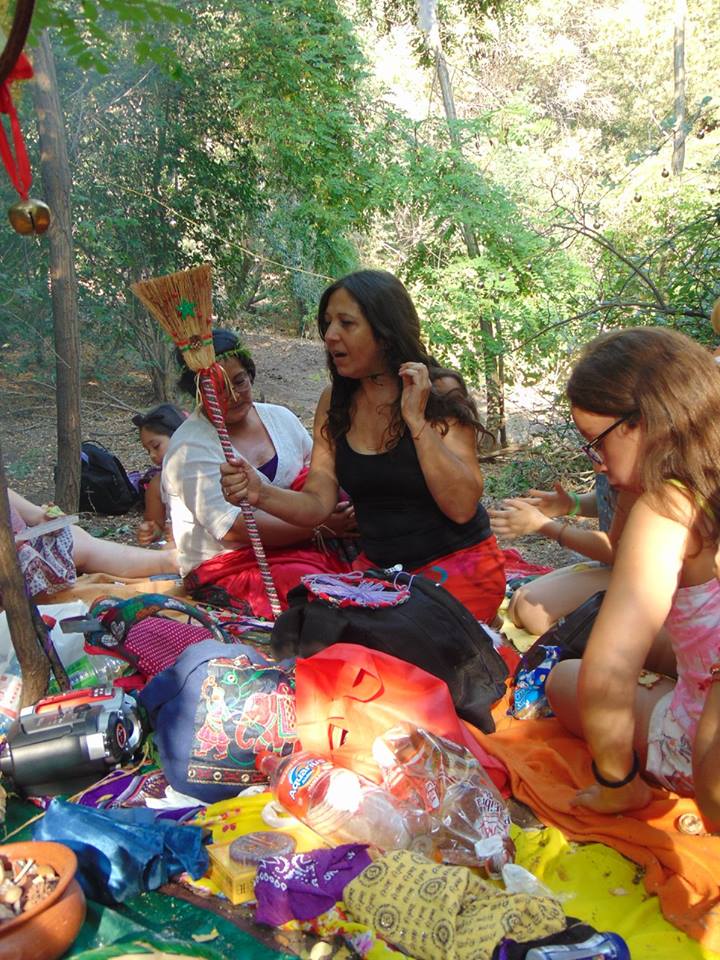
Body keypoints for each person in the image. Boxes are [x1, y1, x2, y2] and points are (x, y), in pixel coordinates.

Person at [220, 270, 505, 623]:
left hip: (457, 567)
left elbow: (461, 507)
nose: (330, 335)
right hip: (379, 575)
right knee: (313, 635)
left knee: (388, 647)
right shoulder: (334, 402)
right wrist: (259, 493)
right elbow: (317, 504)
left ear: (386, 333)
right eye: (327, 323)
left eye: (346, 323)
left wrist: (416, 421)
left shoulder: (439, 392)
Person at [543, 327, 720, 815]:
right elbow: (622, 552)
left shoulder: (666, 509)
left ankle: (634, 782)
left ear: (643, 424)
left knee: (566, 679)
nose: (598, 464)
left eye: (596, 444)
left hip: (703, 748)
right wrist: (630, 480)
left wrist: (615, 781)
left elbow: (607, 671)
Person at [162, 330, 355, 619]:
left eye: (239, 381)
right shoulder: (188, 449)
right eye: (218, 389)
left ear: (250, 375)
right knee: (308, 586)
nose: (233, 396)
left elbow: (320, 476)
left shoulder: (280, 417)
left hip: (304, 537)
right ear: (199, 393)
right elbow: (235, 528)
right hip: (234, 560)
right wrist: (320, 526)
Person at [489, 477, 621, 635]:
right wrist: (571, 504)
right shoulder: (619, 472)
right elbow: (608, 498)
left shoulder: (641, 482)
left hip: (638, 578)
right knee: (518, 601)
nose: (600, 467)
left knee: (532, 614)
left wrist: (544, 526)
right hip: (615, 566)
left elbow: (617, 550)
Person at [8, 488, 178, 600]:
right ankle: (169, 562)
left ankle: (169, 561)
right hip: (14, 563)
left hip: (30, 540)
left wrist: (42, 517)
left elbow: (20, 505)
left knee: (76, 538)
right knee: (82, 548)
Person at [131, 402, 186, 546]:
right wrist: (150, 532)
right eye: (148, 450)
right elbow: (156, 524)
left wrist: (186, 533)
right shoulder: (158, 485)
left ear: (179, 435)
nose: (152, 455)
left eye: (156, 446)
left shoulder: (210, 471)